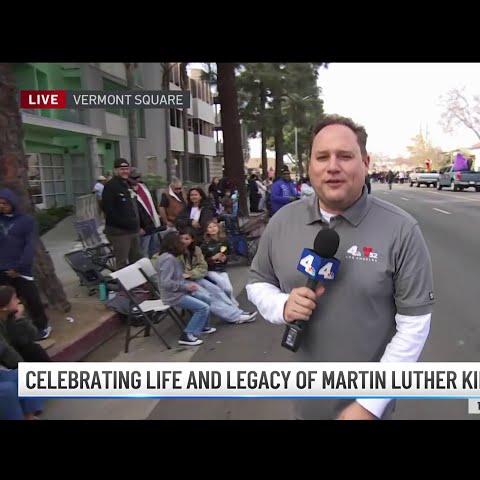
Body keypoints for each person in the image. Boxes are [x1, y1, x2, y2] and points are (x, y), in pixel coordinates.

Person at [246, 114, 435, 421]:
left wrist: (370, 404)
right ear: (310, 166)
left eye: (345, 156)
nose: (332, 166)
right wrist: (282, 305)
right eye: (322, 157)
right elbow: (256, 282)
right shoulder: (283, 222)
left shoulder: (401, 229)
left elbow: (414, 325)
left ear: (366, 162)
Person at [0, 189, 51, 340]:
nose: (2, 206)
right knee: (5, 303)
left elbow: (30, 246)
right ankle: (10, 330)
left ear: (12, 203)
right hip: (1, 268)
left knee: (31, 298)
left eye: (5, 203)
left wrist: (19, 267)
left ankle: (42, 326)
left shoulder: (26, 221)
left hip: (20, 269)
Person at [177, 227, 256, 325]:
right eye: (181, 239)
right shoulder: (176, 254)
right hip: (184, 283)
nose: (183, 242)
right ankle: (235, 317)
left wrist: (191, 273)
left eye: (186, 239)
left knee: (217, 290)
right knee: (208, 297)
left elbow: (203, 267)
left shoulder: (195, 250)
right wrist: (190, 274)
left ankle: (237, 312)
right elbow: (176, 274)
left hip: (195, 277)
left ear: (192, 239)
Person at [155, 232, 216, 346]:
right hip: (173, 296)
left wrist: (186, 287)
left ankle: (203, 327)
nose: (182, 243)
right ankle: (187, 335)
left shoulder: (170, 257)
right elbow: (166, 283)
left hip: (180, 291)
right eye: (179, 241)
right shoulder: (167, 259)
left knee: (206, 298)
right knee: (203, 308)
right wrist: (185, 287)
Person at [101, 158, 143, 269]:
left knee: (137, 260)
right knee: (122, 262)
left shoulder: (127, 185)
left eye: (126, 169)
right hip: (119, 232)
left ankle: (137, 284)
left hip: (133, 230)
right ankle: (123, 286)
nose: (125, 171)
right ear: (116, 170)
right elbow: (108, 210)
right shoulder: (110, 186)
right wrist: (126, 223)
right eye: (122, 169)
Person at [0, 285, 51, 368]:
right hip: (3, 361)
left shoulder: (12, 314)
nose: (18, 301)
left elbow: (31, 335)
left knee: (33, 349)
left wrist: (19, 318)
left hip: (12, 350)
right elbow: (6, 351)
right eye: (15, 298)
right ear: (4, 307)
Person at [128, 168, 163, 258]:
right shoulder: (127, 190)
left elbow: (152, 201)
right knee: (143, 252)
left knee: (155, 249)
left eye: (137, 177)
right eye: (133, 178)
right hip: (142, 226)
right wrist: (138, 227)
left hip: (152, 223)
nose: (136, 180)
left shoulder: (143, 186)